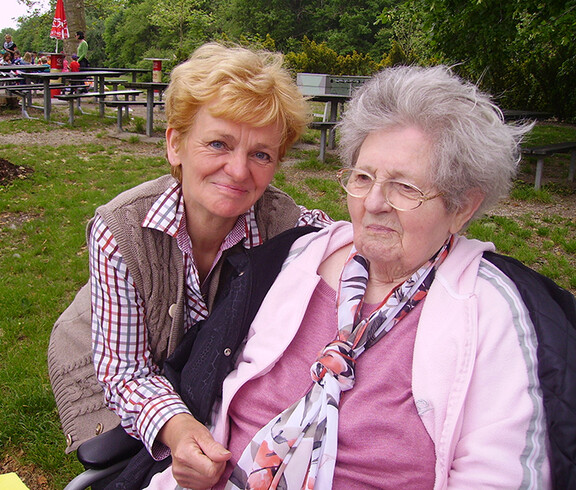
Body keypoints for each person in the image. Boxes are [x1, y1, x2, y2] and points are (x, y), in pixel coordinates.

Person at [147, 65, 564, 489]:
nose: (374, 203)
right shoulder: (293, 258)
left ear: (462, 207)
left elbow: (498, 476)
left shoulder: (492, 312)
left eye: (405, 187)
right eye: (363, 178)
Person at [47, 42, 332, 483]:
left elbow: (351, 243)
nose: (238, 171)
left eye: (261, 154)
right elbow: (125, 371)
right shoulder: (118, 230)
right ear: (175, 144)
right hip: (106, 359)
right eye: (218, 143)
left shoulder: (288, 227)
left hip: (195, 368)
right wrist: (177, 429)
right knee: (115, 456)